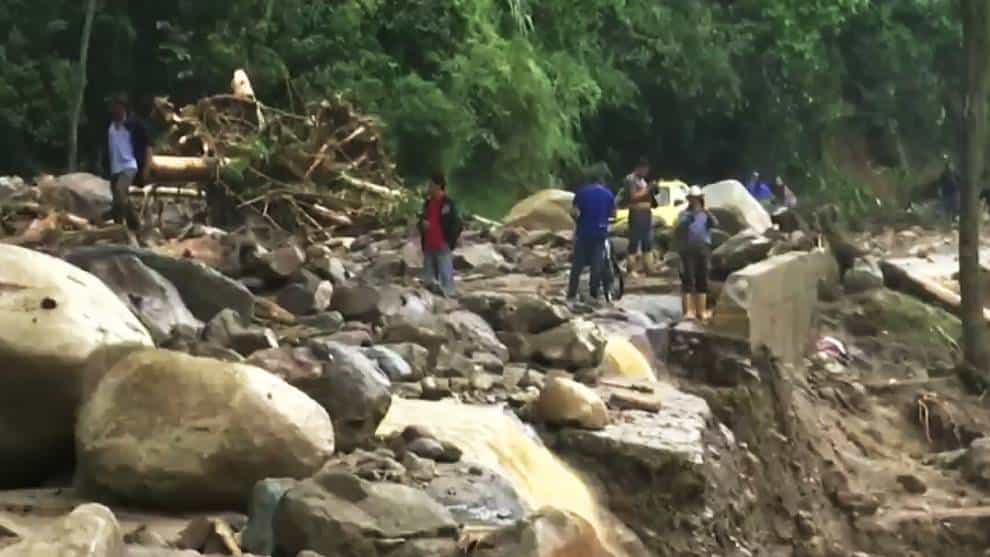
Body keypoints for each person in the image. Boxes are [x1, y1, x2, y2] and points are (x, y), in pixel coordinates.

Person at [567, 172, 616, 304]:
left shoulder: (582, 192)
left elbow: (574, 212)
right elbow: (613, 214)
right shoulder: (608, 194)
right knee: (597, 265)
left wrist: (579, 221)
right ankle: (593, 293)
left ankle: (571, 294)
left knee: (577, 266)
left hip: (583, 233)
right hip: (600, 234)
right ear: (602, 181)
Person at [105, 96, 151, 231]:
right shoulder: (111, 127)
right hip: (115, 167)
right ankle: (120, 226)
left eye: (119, 108)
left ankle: (133, 223)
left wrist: (146, 167)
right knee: (118, 201)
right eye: (114, 108)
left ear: (124, 109)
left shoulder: (134, 125)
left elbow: (148, 145)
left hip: (129, 165)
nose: (116, 111)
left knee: (120, 191)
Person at [674, 186, 719, 321]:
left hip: (703, 248)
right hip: (688, 249)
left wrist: (706, 212)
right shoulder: (684, 214)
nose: (694, 201)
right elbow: (678, 228)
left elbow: (715, 224)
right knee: (688, 279)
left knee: (702, 279)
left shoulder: (705, 214)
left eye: (697, 199)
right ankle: (688, 311)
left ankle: (701, 311)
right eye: (692, 199)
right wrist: (689, 218)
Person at [418, 173, 462, 297]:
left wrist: (450, 240)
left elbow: (457, 223)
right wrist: (422, 225)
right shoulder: (427, 203)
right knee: (429, 276)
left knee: (445, 274)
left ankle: (449, 299)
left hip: (442, 244)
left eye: (431, 185)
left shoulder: (448, 203)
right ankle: (430, 299)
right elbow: (422, 219)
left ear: (438, 186)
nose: (428, 188)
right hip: (429, 244)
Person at [624, 158, 656, 276]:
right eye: (645, 170)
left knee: (647, 240)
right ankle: (631, 269)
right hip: (637, 212)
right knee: (634, 240)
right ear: (639, 168)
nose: (646, 173)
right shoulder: (631, 179)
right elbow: (633, 196)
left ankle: (649, 267)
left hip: (646, 212)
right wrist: (648, 189)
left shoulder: (642, 180)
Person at [938, 155, 960, 219]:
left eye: (951, 165)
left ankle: (954, 218)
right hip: (947, 193)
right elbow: (940, 184)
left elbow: (959, 181)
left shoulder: (954, 173)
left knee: (954, 207)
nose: (950, 167)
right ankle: (948, 219)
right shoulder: (944, 174)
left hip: (953, 193)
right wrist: (940, 191)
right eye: (949, 165)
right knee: (947, 209)